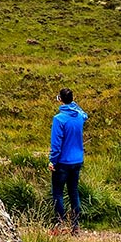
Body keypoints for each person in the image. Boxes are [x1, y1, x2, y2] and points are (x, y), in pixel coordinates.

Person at [49, 88, 86, 232]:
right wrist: (73, 104)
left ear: (60, 100)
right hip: (77, 160)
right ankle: (75, 225)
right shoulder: (79, 116)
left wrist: (53, 160)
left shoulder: (59, 119)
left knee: (58, 193)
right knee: (73, 191)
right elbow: (84, 114)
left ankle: (60, 224)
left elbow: (56, 144)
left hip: (63, 161)